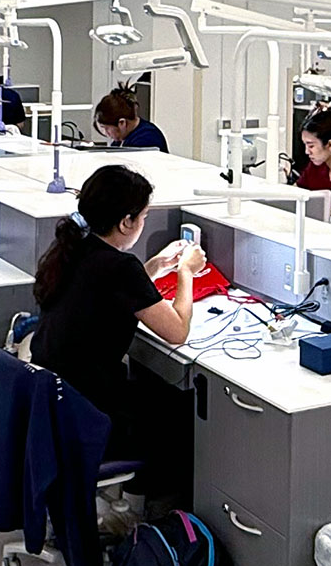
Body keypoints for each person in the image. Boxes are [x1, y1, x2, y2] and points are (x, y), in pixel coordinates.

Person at [30, 164, 205, 496]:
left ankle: (139, 502)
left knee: (153, 393)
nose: (143, 223)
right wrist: (186, 272)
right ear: (126, 222)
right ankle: (153, 509)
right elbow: (178, 331)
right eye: (143, 217)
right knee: (179, 413)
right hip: (89, 413)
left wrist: (154, 267)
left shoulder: (75, 248)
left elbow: (113, 291)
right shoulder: (120, 268)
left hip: (57, 403)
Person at [94, 90, 167, 152]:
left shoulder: (146, 140)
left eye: (106, 128)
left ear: (122, 123)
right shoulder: (122, 137)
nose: (106, 133)